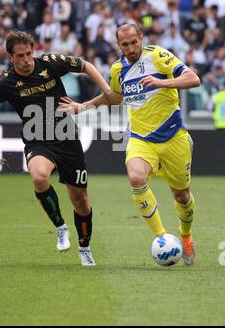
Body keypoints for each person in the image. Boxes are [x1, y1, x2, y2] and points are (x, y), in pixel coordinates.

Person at [0, 30, 113, 267]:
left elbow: (85, 65)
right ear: (10, 57)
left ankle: (84, 247)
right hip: (36, 138)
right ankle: (60, 227)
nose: (26, 60)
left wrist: (106, 92)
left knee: (80, 200)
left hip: (66, 137)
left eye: (29, 53)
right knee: (39, 176)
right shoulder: (4, 82)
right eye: (20, 56)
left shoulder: (50, 63)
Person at [60, 23, 201, 266]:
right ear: (119, 45)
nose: (131, 48)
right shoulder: (118, 69)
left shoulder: (158, 55)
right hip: (140, 139)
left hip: (173, 137)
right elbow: (114, 96)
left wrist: (161, 83)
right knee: (136, 178)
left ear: (141, 38)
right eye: (125, 44)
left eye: (134, 42)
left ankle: (185, 237)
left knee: (182, 195)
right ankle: (162, 238)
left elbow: (193, 78)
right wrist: (81, 107)